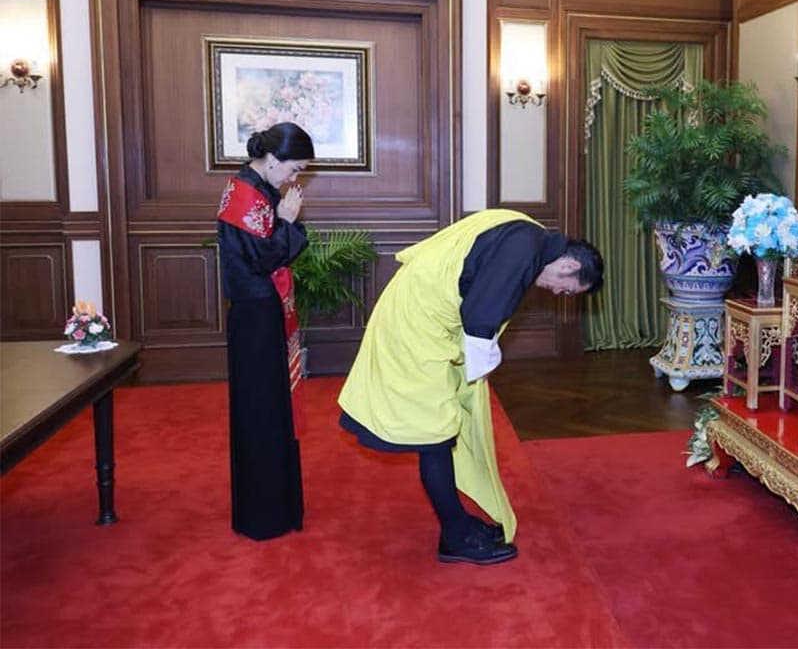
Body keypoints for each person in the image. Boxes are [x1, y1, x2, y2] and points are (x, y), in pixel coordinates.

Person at [337, 210, 604, 565]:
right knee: (434, 434)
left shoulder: (531, 236)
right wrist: (483, 367)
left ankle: (458, 523)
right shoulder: (526, 249)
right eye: (567, 289)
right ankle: (454, 536)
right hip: (417, 324)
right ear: (569, 266)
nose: (558, 293)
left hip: (420, 312)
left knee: (442, 426)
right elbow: (479, 321)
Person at [216, 122, 314, 540]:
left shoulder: (255, 189)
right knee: (261, 409)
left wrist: (286, 220)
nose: (295, 179)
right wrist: (289, 222)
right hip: (255, 314)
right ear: (272, 160)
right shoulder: (245, 196)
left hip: (259, 310)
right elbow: (265, 258)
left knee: (270, 406)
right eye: (294, 169)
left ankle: (274, 505)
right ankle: (265, 513)